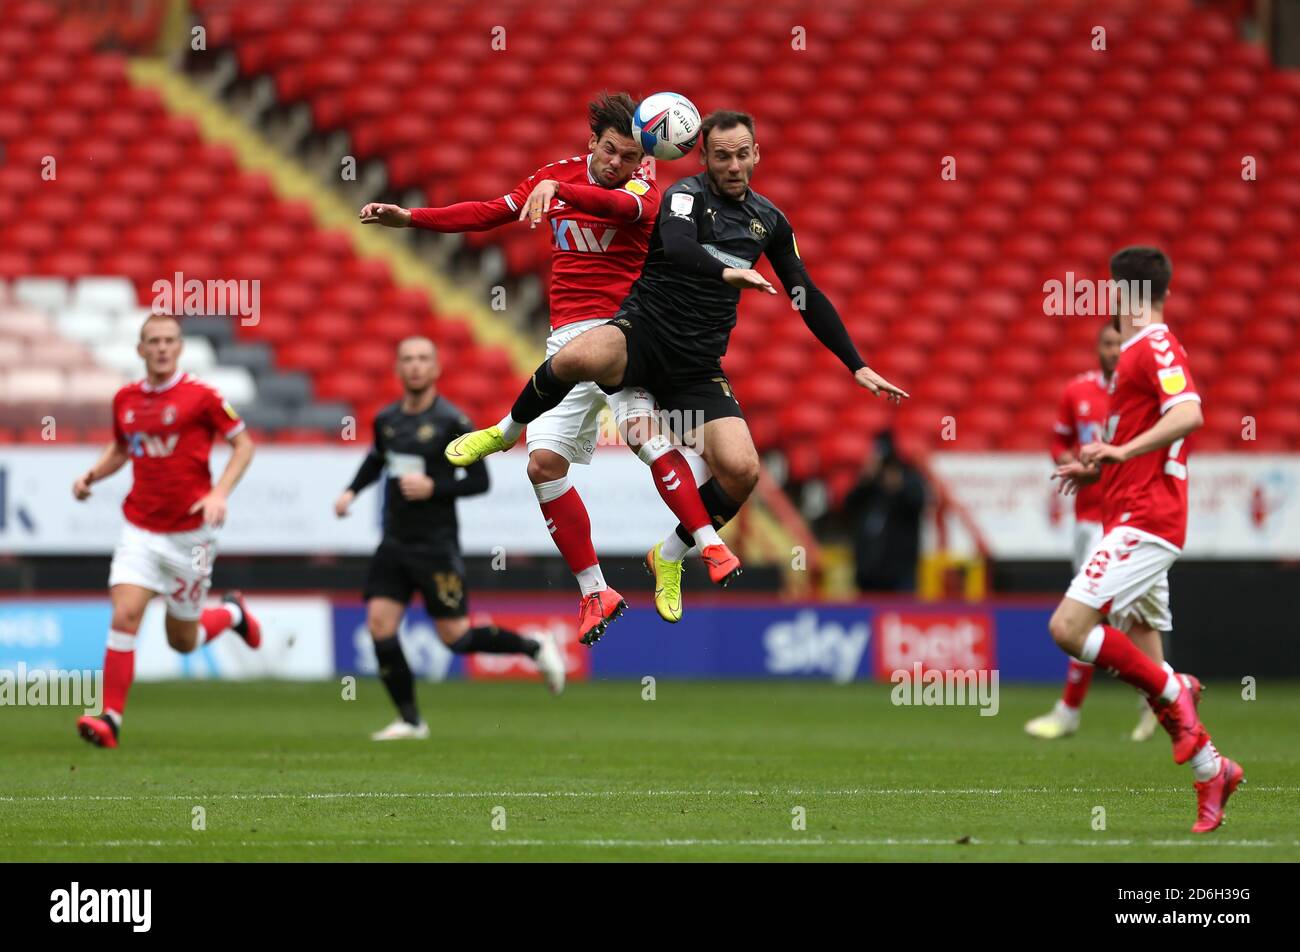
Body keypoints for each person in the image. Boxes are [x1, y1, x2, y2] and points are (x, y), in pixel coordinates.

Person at [443, 109, 908, 617]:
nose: (733, 165)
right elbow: (683, 250)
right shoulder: (683, 197)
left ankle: (669, 555)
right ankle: (506, 432)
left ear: (757, 155)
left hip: (697, 364)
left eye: (742, 154)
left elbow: (805, 292)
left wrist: (855, 364)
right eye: (722, 155)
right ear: (704, 156)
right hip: (644, 335)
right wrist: (728, 274)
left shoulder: (769, 221)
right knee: (582, 359)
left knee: (742, 472)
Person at [359, 92, 707, 645]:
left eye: (629, 155)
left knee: (644, 436)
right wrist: (412, 219)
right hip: (567, 341)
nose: (618, 164)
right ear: (592, 143)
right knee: (542, 465)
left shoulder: (642, 185)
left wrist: (563, 191)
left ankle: (701, 549)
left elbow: (623, 210)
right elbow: (487, 211)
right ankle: (596, 590)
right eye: (610, 152)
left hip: (626, 335)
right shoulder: (553, 173)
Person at [1051, 246, 1240, 833]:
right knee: (1147, 660)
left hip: (1147, 519)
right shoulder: (1134, 352)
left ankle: (1175, 687)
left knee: (1068, 628)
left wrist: (1122, 452)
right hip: (1127, 510)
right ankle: (1213, 769)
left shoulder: (1154, 344)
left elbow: (1189, 413)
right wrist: (1101, 466)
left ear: (1124, 292)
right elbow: (1145, 431)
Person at [335, 337, 565, 741]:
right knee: (380, 625)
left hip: (436, 545)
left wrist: (433, 488)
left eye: (423, 359)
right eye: (407, 359)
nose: (415, 366)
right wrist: (352, 491)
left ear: (436, 368)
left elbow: (479, 480)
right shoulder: (387, 418)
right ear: (398, 369)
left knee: (455, 638)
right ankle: (410, 721)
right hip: (393, 543)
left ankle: (533, 647)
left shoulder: (451, 421)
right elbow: (377, 458)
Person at [72, 312, 260, 748]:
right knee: (125, 614)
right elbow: (122, 447)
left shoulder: (202, 397)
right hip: (140, 528)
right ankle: (111, 718)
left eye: (169, 340)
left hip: (192, 537)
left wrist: (219, 493)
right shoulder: (125, 399)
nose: (160, 347)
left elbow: (244, 445)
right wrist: (91, 477)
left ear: (179, 348)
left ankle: (231, 614)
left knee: (183, 640)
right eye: (152, 340)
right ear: (140, 349)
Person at [1027, 324, 1167, 741]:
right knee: (1118, 613)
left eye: (1119, 345)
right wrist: (1072, 461)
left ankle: (1079, 710)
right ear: (1097, 349)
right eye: (1107, 344)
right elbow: (1059, 441)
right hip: (1090, 519)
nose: (1112, 351)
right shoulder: (1078, 392)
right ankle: (1158, 699)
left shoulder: (1143, 395)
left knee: (1120, 614)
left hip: (1132, 516)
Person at [845, 431, 925, 593]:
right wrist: (865, 479)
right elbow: (848, 506)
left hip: (900, 575)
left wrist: (900, 488)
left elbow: (919, 503)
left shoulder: (909, 478)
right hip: (868, 573)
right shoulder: (869, 485)